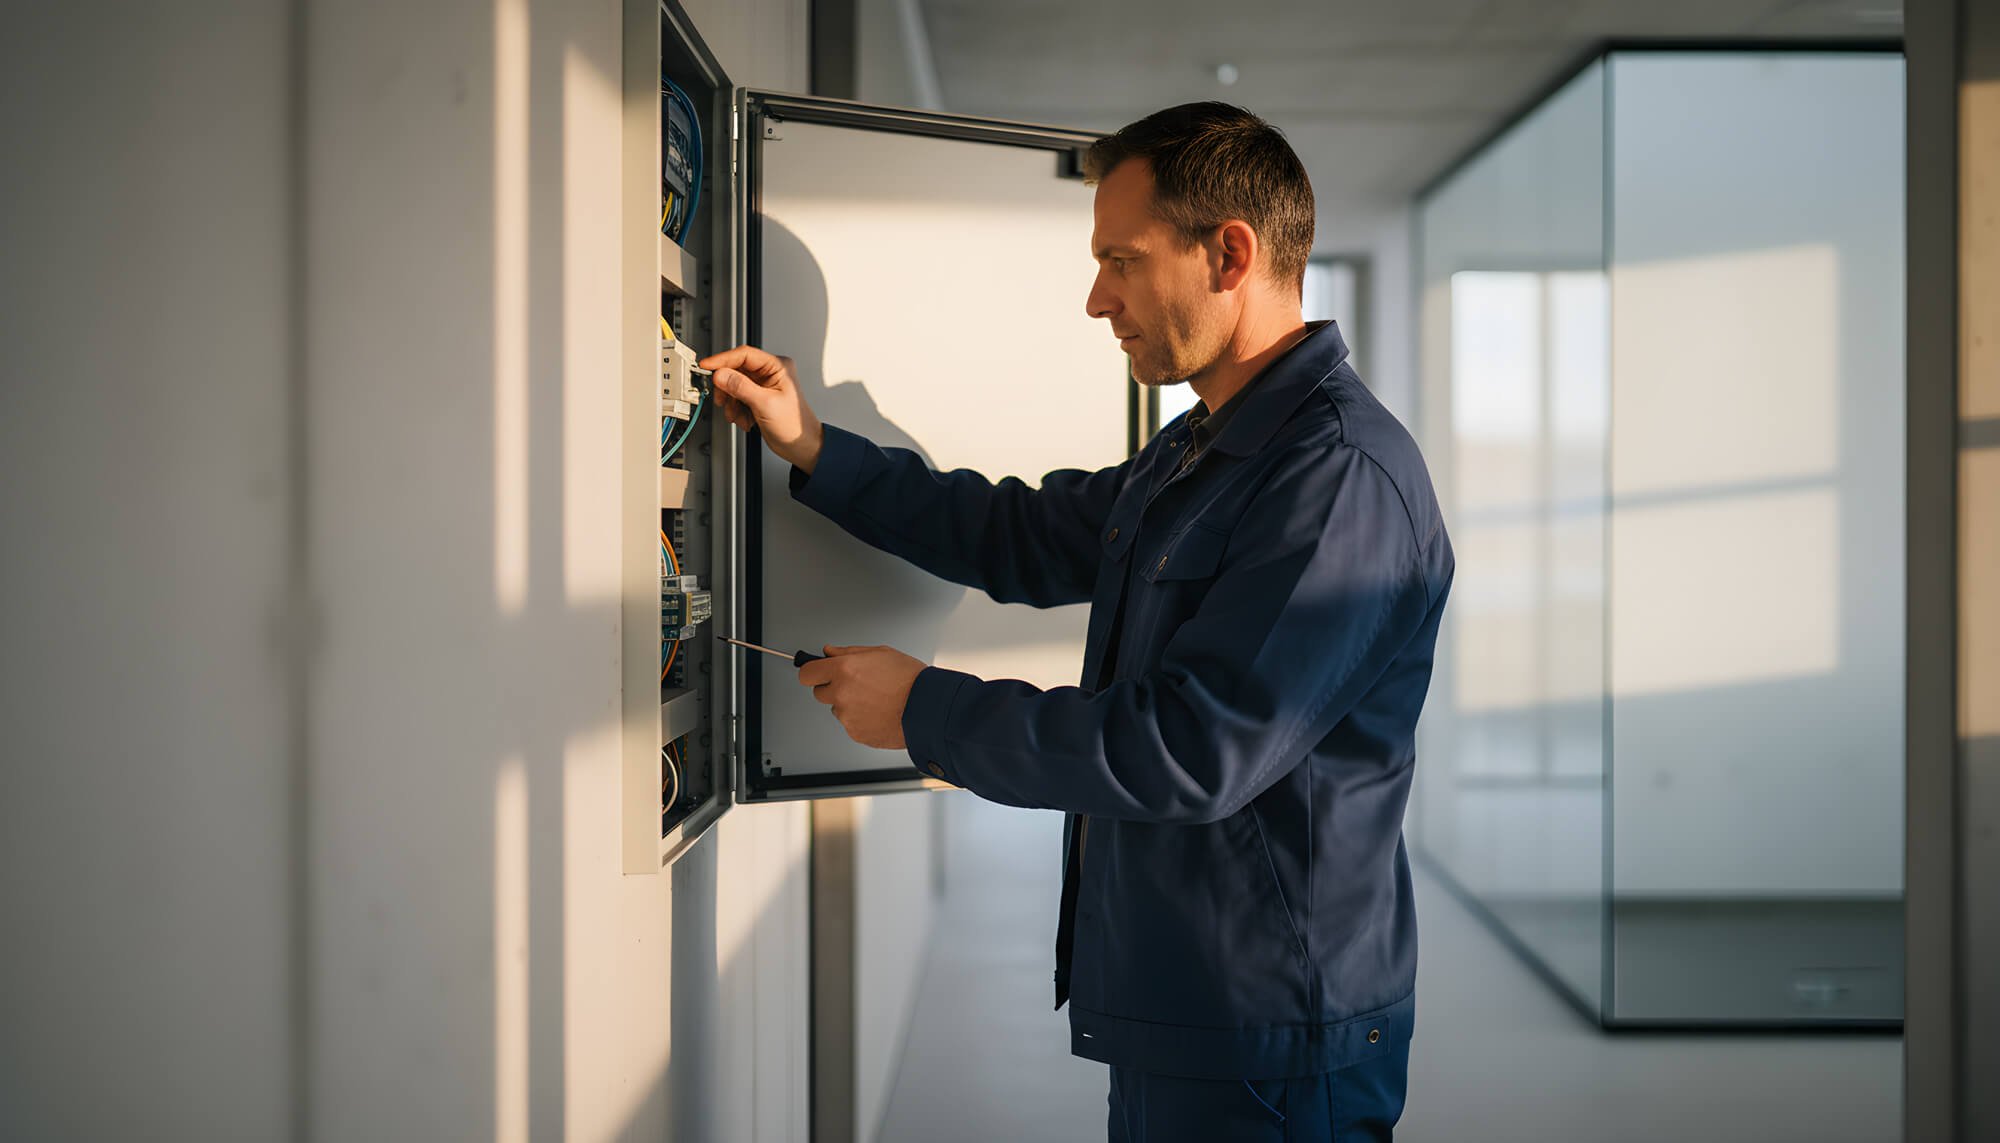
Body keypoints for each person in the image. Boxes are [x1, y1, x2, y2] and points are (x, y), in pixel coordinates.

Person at [700, 102, 1452, 1143]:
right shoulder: (1204, 450)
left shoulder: (1336, 482)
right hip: (1190, 1008)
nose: (1096, 298)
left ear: (1226, 253)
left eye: (1121, 260)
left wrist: (927, 711)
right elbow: (1018, 533)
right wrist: (816, 447)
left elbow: (1191, 750)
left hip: (1270, 1043)